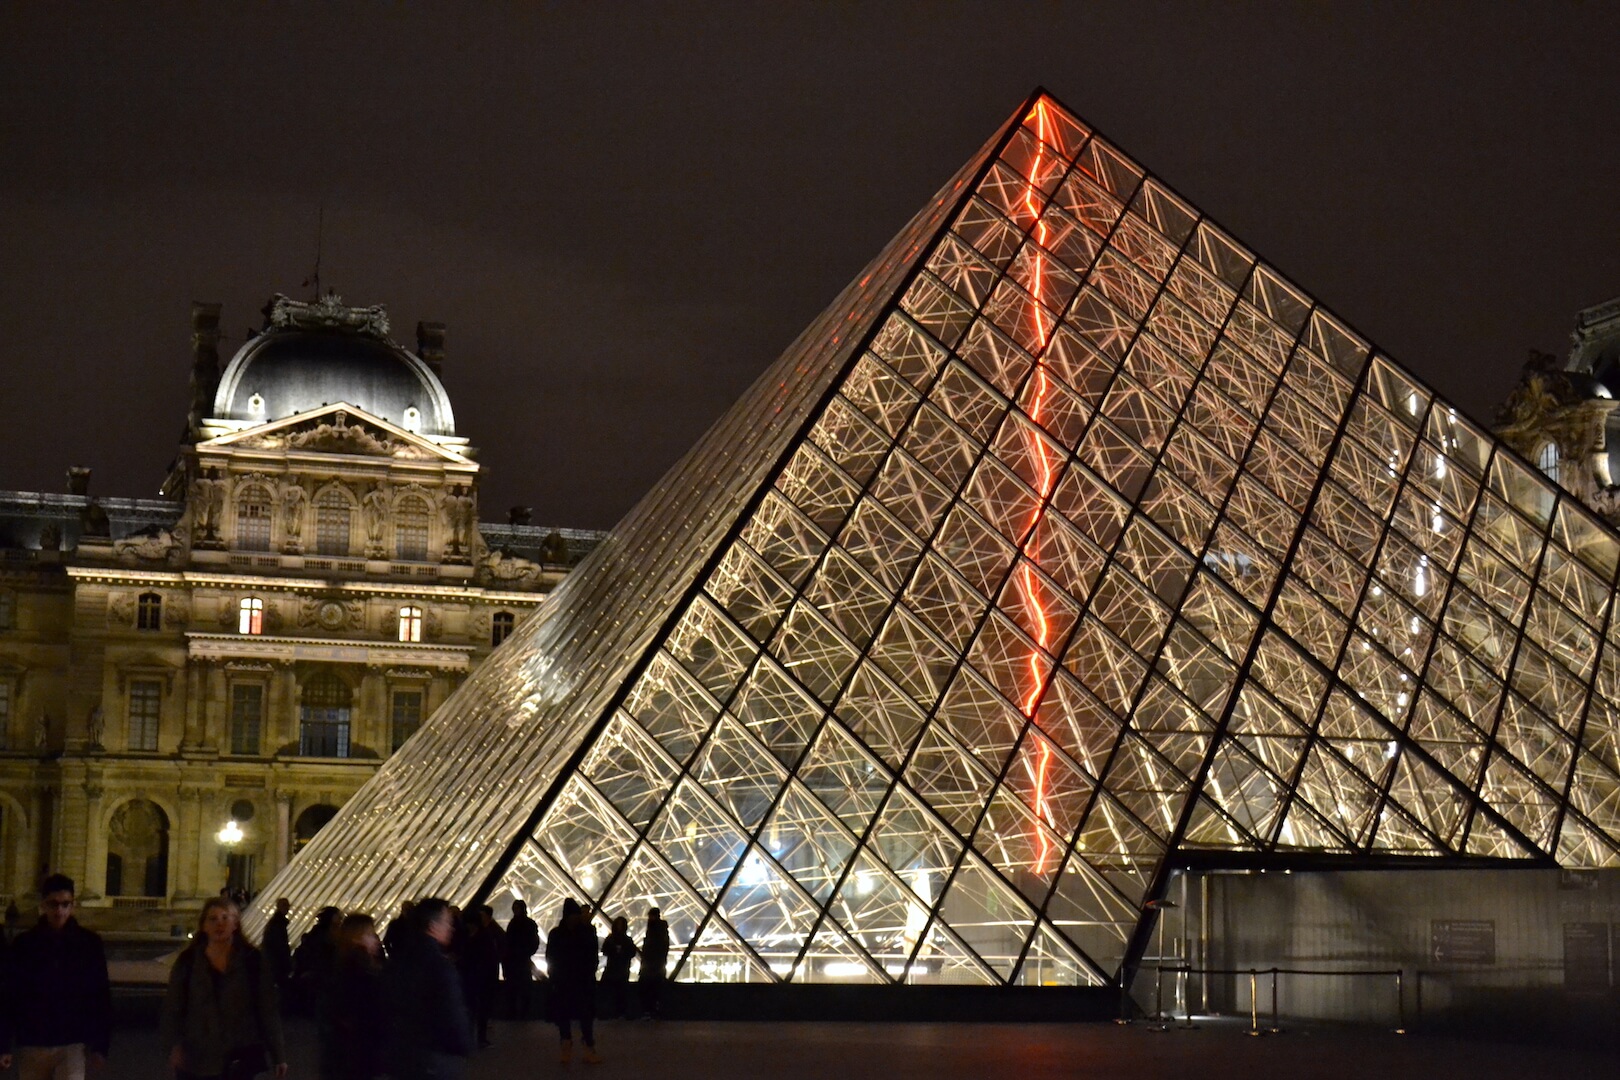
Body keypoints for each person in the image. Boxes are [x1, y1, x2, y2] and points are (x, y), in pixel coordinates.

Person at [160, 896, 287, 1080]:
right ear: (204, 926)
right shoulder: (187, 962)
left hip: (241, 1056)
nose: (219, 923)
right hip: (198, 1057)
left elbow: (267, 1009)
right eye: (212, 919)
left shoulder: (252, 961)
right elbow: (172, 1008)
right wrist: (174, 1046)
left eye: (225, 918)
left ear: (235, 924)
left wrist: (279, 1055)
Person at [0, 873, 111, 1080]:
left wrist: (100, 1046)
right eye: (54, 904)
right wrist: (3, 1044)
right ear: (43, 905)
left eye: (65, 904)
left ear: (73, 905)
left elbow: (100, 995)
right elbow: (9, 995)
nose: (59, 910)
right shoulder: (24, 945)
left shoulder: (89, 944)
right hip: (33, 1042)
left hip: (72, 1041)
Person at [386, 898, 474, 1080]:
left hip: (401, 1052)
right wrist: (463, 1045)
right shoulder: (440, 966)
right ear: (433, 926)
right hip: (435, 1056)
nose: (452, 928)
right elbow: (452, 1012)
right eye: (448, 922)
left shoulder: (397, 960)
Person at [321, 913, 387, 1080]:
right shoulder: (361, 971)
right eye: (371, 935)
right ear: (357, 938)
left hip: (346, 1053)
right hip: (359, 1053)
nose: (376, 940)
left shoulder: (342, 964)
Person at [545, 899, 601, 1064]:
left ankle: (578, 1046)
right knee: (571, 1016)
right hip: (568, 982)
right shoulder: (584, 933)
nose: (576, 918)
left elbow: (592, 958)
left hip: (577, 982)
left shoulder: (560, 934)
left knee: (582, 1017)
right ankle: (577, 1046)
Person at [455, 907, 501, 1049]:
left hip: (477, 976)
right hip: (472, 976)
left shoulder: (475, 937)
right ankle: (475, 1038)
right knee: (472, 1008)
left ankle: (476, 1037)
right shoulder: (481, 936)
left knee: (476, 1008)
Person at [291, 906, 341, 1016]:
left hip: (325, 971)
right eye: (338, 916)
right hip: (322, 971)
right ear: (331, 918)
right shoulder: (324, 934)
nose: (340, 918)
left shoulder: (329, 932)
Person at [502, 900, 539, 1019]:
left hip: (517, 961)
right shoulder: (527, 924)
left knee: (518, 989)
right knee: (521, 989)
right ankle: (520, 1013)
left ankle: (517, 1012)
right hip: (520, 960)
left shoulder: (513, 924)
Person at [600, 916, 638, 1020]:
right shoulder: (625, 940)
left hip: (617, 969)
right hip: (620, 969)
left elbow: (605, 950)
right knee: (616, 992)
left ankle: (615, 1012)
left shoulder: (612, 939)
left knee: (617, 992)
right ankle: (616, 1012)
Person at [638, 907, 670, 1020]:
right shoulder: (661, 930)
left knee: (649, 989)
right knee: (655, 989)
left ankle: (649, 1010)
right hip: (656, 965)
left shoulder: (653, 929)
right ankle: (654, 1011)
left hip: (652, 965)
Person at [262, 899, 293, 1002]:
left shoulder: (276, 923)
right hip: (277, 962)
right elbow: (279, 946)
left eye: (288, 906)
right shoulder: (278, 924)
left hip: (274, 961)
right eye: (285, 906)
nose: (287, 908)